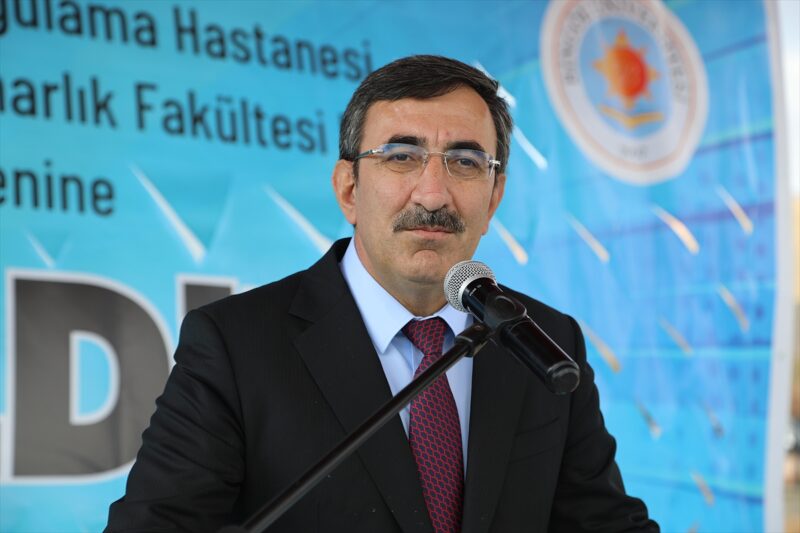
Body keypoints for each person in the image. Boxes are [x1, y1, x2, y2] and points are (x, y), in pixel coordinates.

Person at [106, 55, 658, 533]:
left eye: (466, 162)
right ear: (349, 188)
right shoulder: (236, 345)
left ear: (494, 197)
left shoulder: (543, 341)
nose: (434, 194)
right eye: (401, 156)